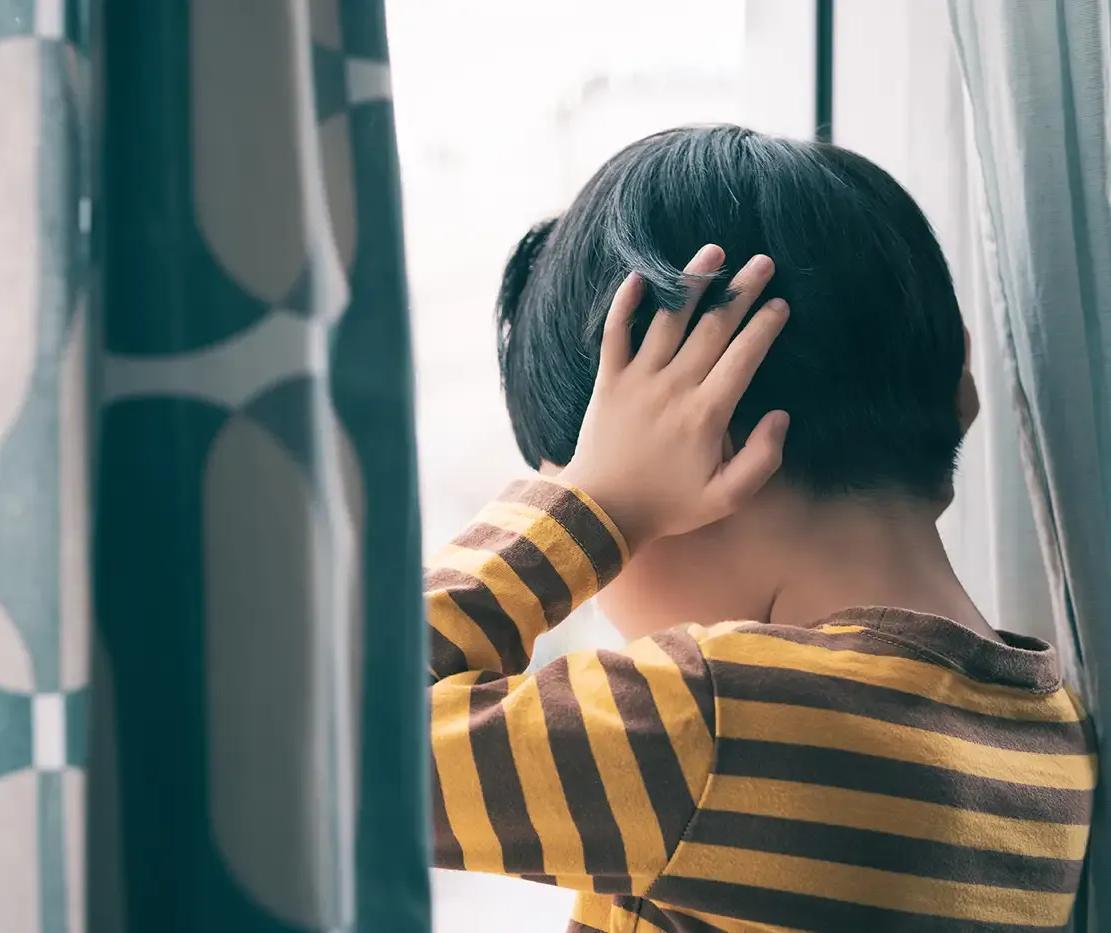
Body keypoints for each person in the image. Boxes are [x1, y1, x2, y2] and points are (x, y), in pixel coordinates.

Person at [425, 125, 1095, 932]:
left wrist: (595, 509)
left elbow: (332, 746)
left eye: (575, 468)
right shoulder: (1048, 735)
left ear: (711, 450)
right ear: (960, 392)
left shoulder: (703, 724)